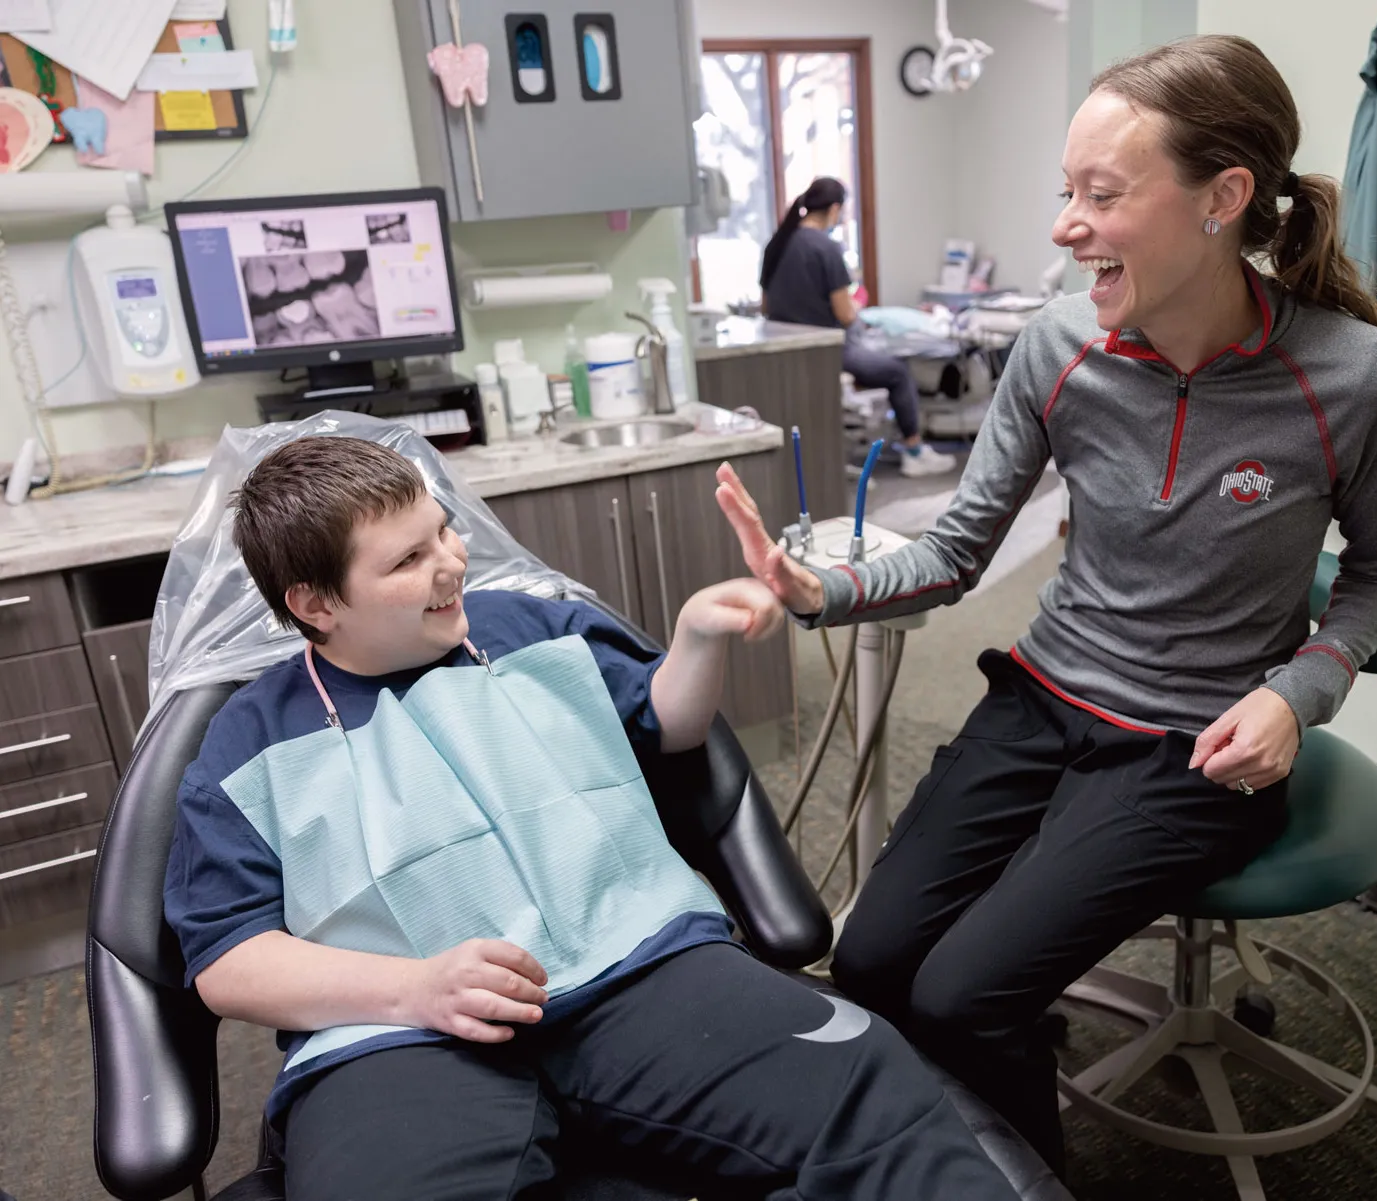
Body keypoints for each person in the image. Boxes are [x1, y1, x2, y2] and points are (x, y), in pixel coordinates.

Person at [717, 34, 1377, 1175]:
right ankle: (957, 1113)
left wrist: (1297, 694)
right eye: (1066, 193)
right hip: (1041, 701)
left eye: (1101, 194)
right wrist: (821, 588)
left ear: (1221, 199)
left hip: (1189, 746)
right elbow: (953, 548)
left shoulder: (1352, 376)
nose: (1062, 225)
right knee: (872, 961)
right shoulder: (1057, 347)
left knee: (953, 996)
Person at [162, 436, 1020, 1199]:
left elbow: (665, 725)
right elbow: (228, 960)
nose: (452, 563)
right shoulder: (246, 744)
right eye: (407, 560)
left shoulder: (533, 629)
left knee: (867, 1086)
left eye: (443, 531)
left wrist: (695, 638)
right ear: (316, 604)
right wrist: (411, 989)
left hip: (637, 963)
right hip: (396, 1035)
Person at [760, 176, 958, 477]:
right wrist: (854, 307)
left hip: (786, 353)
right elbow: (846, 315)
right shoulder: (826, 248)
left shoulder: (777, 243)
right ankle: (915, 452)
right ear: (835, 209)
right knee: (898, 372)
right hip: (827, 351)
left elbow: (765, 307)